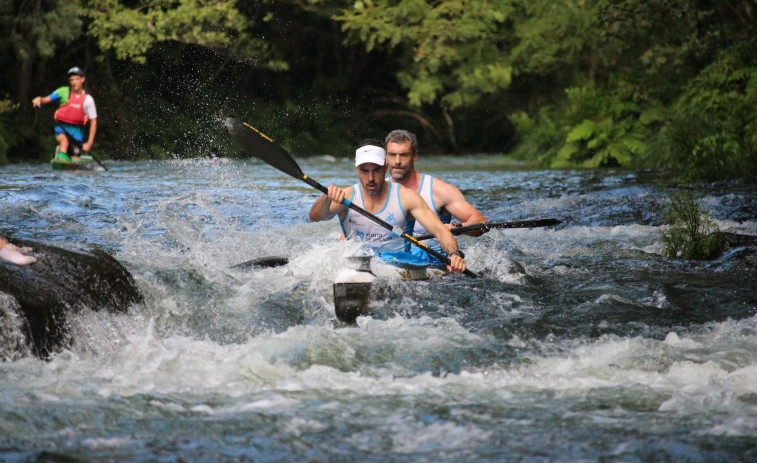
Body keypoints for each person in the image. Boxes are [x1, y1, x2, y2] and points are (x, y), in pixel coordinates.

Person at [309, 142, 467, 273]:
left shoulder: (407, 197)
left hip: (398, 263)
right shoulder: (345, 196)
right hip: (357, 260)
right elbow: (315, 218)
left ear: (385, 167)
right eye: (364, 171)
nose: (370, 178)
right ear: (356, 169)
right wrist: (326, 198)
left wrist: (454, 254)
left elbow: (440, 231)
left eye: (376, 170)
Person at [385, 129, 488, 235]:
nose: (397, 161)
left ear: (414, 156)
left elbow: (481, 221)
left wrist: (456, 227)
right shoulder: (374, 191)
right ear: (385, 157)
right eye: (392, 155)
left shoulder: (439, 190)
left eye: (404, 155)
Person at [31, 66, 98, 162]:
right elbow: (45, 100)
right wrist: (39, 99)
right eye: (71, 80)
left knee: (75, 158)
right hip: (61, 129)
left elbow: (93, 122)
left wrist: (89, 143)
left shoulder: (88, 100)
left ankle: (66, 156)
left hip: (76, 134)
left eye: (77, 79)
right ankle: (62, 157)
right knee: (64, 140)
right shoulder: (62, 91)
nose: (74, 82)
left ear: (82, 80)